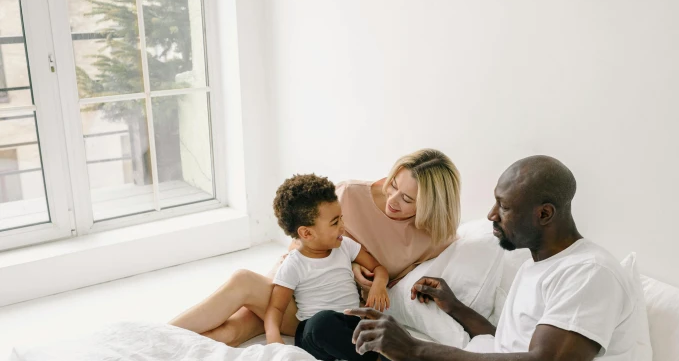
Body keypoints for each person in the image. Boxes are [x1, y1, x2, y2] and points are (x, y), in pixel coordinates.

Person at [309, 156, 642, 361]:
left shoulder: (590, 270)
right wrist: (456, 308)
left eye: (504, 206)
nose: (491, 215)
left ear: (544, 214)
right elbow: (507, 350)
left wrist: (413, 349)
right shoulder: (532, 270)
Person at [169, 149, 461, 350]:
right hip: (296, 281)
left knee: (243, 283)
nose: (393, 199)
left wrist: (365, 274)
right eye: (393, 184)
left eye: (407, 199)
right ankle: (157, 342)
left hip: (329, 309)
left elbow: (396, 281)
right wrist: (349, 264)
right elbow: (300, 243)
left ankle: (154, 336)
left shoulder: (433, 239)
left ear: (432, 205)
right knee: (232, 332)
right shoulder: (349, 193)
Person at [263, 173, 413, 361]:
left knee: (386, 326)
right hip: (315, 333)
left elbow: (378, 268)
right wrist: (273, 339)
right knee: (322, 323)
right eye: (335, 222)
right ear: (307, 233)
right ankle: (374, 359)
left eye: (341, 217)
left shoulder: (345, 246)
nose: (342, 226)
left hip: (352, 325)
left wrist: (379, 284)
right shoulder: (293, 264)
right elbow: (275, 309)